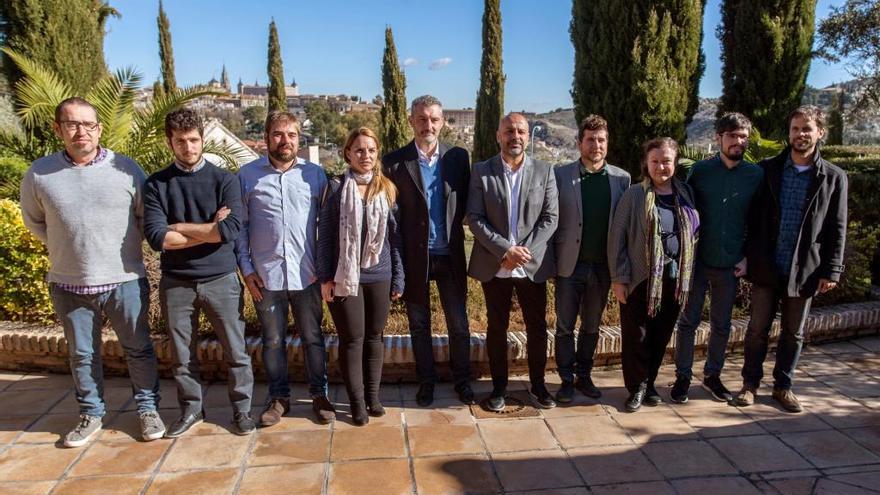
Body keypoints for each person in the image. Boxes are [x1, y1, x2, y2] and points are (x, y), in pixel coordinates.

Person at [20, 97, 163, 447]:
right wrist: (67, 248)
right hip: (68, 282)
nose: (80, 131)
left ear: (98, 128)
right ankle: (91, 413)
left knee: (138, 348)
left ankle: (147, 409)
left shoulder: (127, 169)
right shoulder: (39, 174)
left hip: (124, 279)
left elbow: (146, 218)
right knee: (82, 353)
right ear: (59, 129)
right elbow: (35, 223)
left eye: (87, 124)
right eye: (72, 124)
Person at [143, 108, 255, 437]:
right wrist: (208, 228)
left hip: (221, 279)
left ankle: (242, 410)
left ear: (202, 139)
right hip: (176, 282)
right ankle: (192, 409)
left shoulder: (224, 180)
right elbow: (157, 238)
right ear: (170, 143)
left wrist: (179, 228)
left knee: (236, 351)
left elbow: (231, 229)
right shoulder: (157, 185)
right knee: (181, 355)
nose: (188, 147)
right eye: (181, 141)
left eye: (193, 140)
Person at [735, 105, 848, 413]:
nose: (800, 134)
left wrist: (832, 270)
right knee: (757, 330)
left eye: (807, 129)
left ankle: (783, 386)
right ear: (789, 132)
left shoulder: (834, 178)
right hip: (767, 264)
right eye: (795, 129)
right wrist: (747, 255)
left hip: (805, 268)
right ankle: (749, 385)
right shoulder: (767, 169)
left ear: (820, 133)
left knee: (793, 333)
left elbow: (837, 228)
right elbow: (752, 218)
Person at [237, 111, 335, 427]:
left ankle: (320, 396)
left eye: (291, 135)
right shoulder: (247, 176)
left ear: (298, 138)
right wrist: (247, 270)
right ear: (267, 138)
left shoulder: (315, 176)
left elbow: (330, 225)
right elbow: (240, 228)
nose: (286, 141)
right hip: (266, 277)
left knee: (313, 338)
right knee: (273, 341)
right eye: (279, 134)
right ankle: (278, 398)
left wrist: (327, 269)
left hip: (307, 275)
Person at [382, 95, 474, 407]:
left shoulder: (459, 158)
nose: (428, 125)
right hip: (414, 258)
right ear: (411, 121)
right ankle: (427, 382)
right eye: (422, 119)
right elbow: (392, 216)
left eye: (434, 119)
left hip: (450, 254)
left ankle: (463, 380)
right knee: (419, 325)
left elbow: (464, 204)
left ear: (443, 122)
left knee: (458, 324)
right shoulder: (395, 162)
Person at [467, 112, 559, 412]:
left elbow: (550, 218)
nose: (515, 136)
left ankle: (538, 385)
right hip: (496, 263)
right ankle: (498, 389)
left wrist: (523, 251)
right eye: (509, 131)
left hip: (532, 264)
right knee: (497, 327)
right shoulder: (481, 171)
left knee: (536, 326)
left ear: (528, 137)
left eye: (520, 131)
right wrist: (506, 250)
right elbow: (475, 218)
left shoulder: (545, 171)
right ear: (498, 135)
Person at [671, 113, 763, 404]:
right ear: (719, 138)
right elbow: (682, 211)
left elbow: (758, 222)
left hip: (731, 263)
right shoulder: (698, 171)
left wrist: (747, 256)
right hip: (697, 262)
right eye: (733, 135)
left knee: (722, 325)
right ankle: (682, 377)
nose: (739, 141)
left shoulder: (755, 175)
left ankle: (712, 376)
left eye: (743, 136)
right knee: (688, 322)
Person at [317, 127, 403, 426]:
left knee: (375, 338)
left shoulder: (387, 189)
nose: (365, 156)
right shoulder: (337, 187)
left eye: (370, 150)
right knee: (352, 339)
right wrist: (325, 278)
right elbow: (325, 236)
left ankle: (373, 397)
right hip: (346, 276)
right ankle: (356, 404)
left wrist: (398, 276)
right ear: (348, 154)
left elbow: (394, 239)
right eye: (359, 150)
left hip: (380, 275)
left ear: (377, 154)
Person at [608, 137, 699, 413]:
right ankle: (635, 388)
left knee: (661, 335)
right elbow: (616, 238)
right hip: (640, 280)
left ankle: (650, 385)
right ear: (646, 164)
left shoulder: (685, 193)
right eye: (655, 161)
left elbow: (694, 231)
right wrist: (619, 278)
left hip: (674, 281)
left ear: (675, 163)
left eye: (666, 161)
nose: (661, 166)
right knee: (637, 337)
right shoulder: (635, 195)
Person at [553, 115, 631, 403]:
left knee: (591, 326)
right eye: (590, 139)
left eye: (601, 140)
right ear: (579, 143)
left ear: (607, 143)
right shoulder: (560, 175)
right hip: (569, 265)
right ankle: (565, 379)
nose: (596, 145)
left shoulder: (622, 179)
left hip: (602, 267)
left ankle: (584, 375)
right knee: (564, 326)